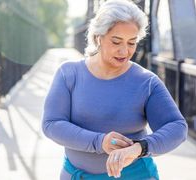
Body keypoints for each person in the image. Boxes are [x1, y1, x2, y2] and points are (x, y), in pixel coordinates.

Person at [42, 0, 188, 179]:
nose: (124, 51)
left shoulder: (146, 82)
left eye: (131, 43)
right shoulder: (69, 74)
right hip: (76, 175)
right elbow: (51, 124)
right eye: (116, 41)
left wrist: (139, 148)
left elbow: (177, 127)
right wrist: (99, 141)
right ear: (98, 38)